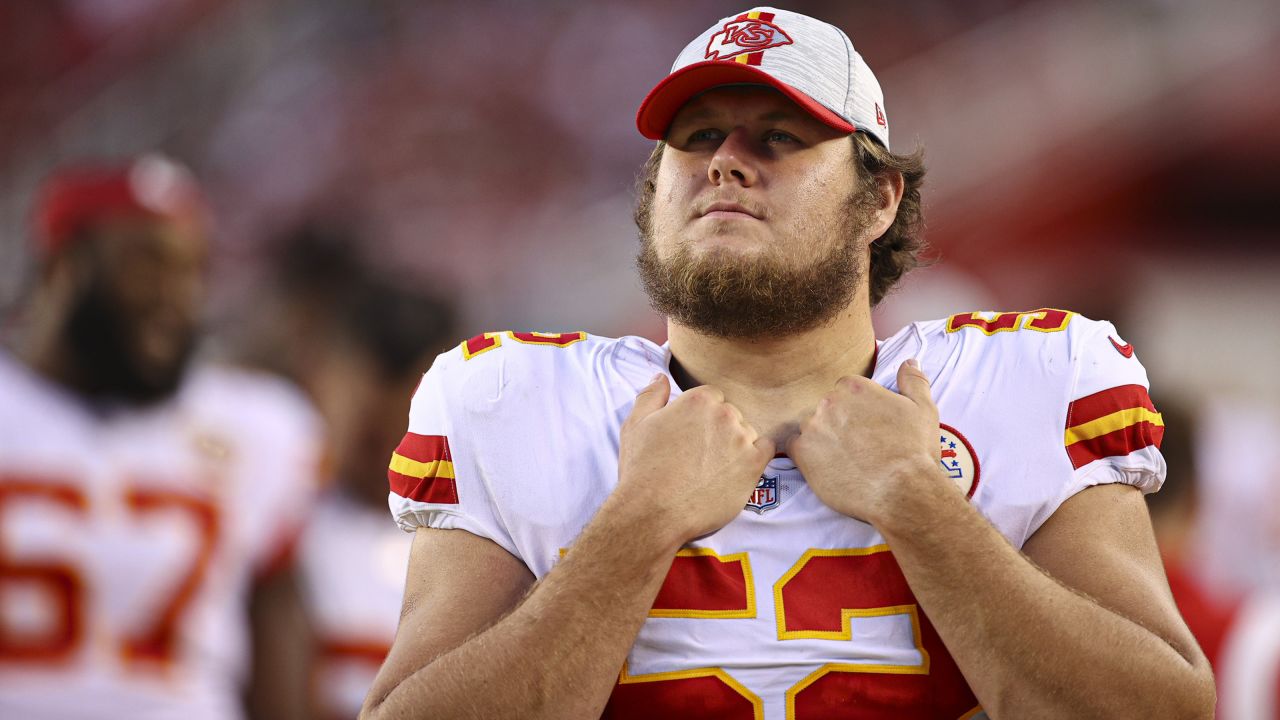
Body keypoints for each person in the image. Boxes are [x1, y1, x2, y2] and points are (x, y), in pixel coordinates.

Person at [363, 8, 1216, 719]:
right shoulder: (508, 395)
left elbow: (1162, 710)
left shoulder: (1031, 377)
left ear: (880, 198)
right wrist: (639, 524)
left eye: (778, 138)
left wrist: (918, 503)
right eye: (695, 139)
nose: (725, 161)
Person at [0, 155, 319, 719]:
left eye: (192, 269)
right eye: (146, 263)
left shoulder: (255, 424)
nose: (176, 295)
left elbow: (277, 621)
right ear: (62, 268)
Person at [295, 277, 457, 720]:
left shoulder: (484, 541)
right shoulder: (282, 522)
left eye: (402, 427)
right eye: (369, 436)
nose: (390, 452)